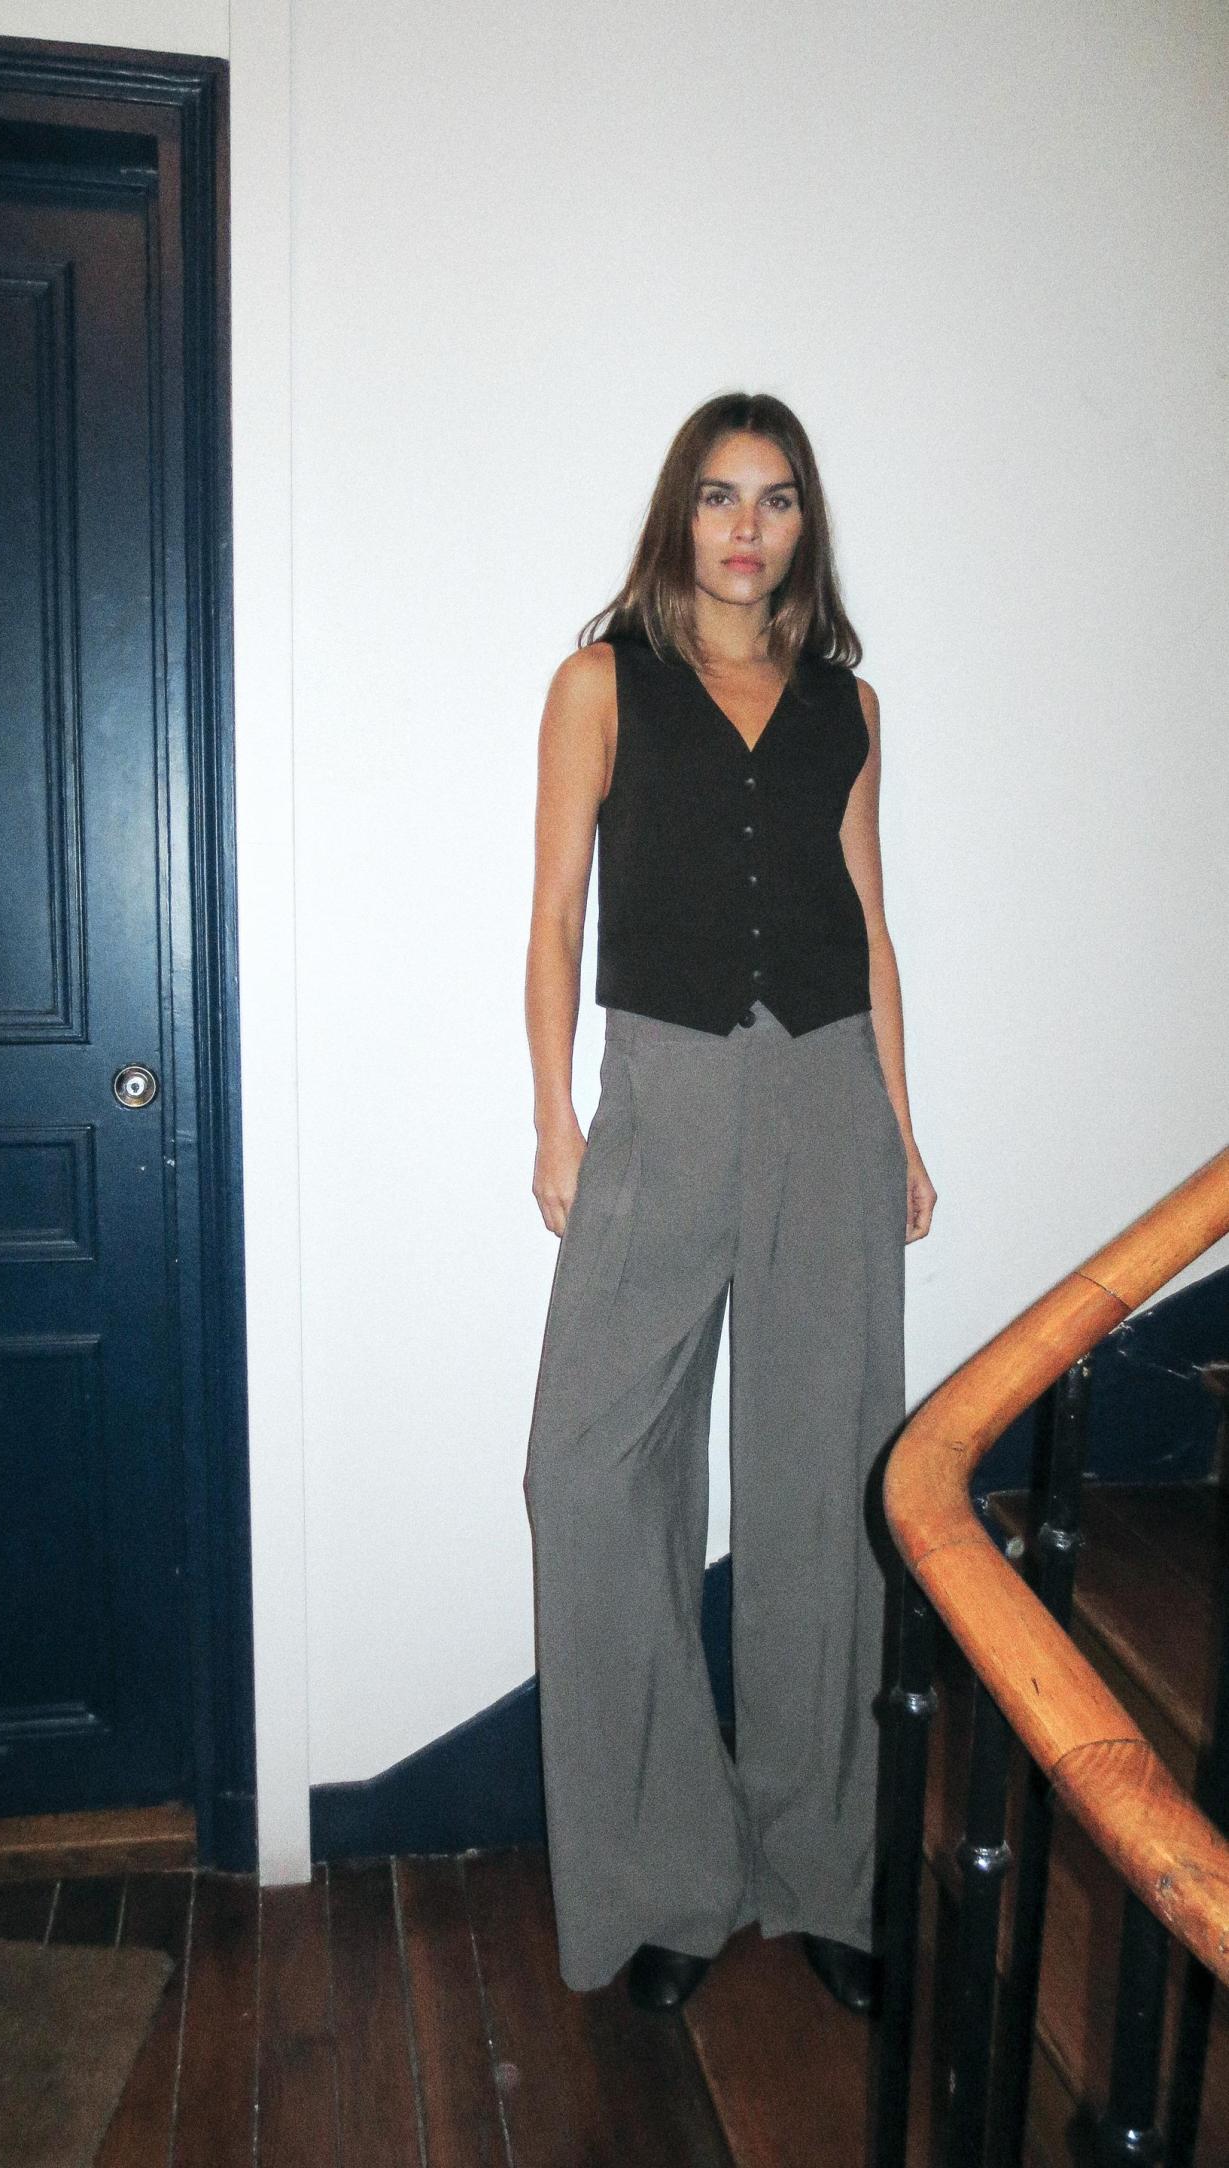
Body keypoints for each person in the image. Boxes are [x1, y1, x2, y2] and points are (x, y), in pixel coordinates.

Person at [521, 390, 936, 2017]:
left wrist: (900, 1127)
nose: (745, 527)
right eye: (716, 495)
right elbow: (556, 914)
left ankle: (823, 1868)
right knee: (585, 1473)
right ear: (676, 516)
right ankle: (667, 1875)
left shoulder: (848, 705)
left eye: (772, 498)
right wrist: (554, 1118)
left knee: (827, 1480)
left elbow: (869, 925)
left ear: (802, 523)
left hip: (829, 1092)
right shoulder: (599, 682)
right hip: (662, 1091)